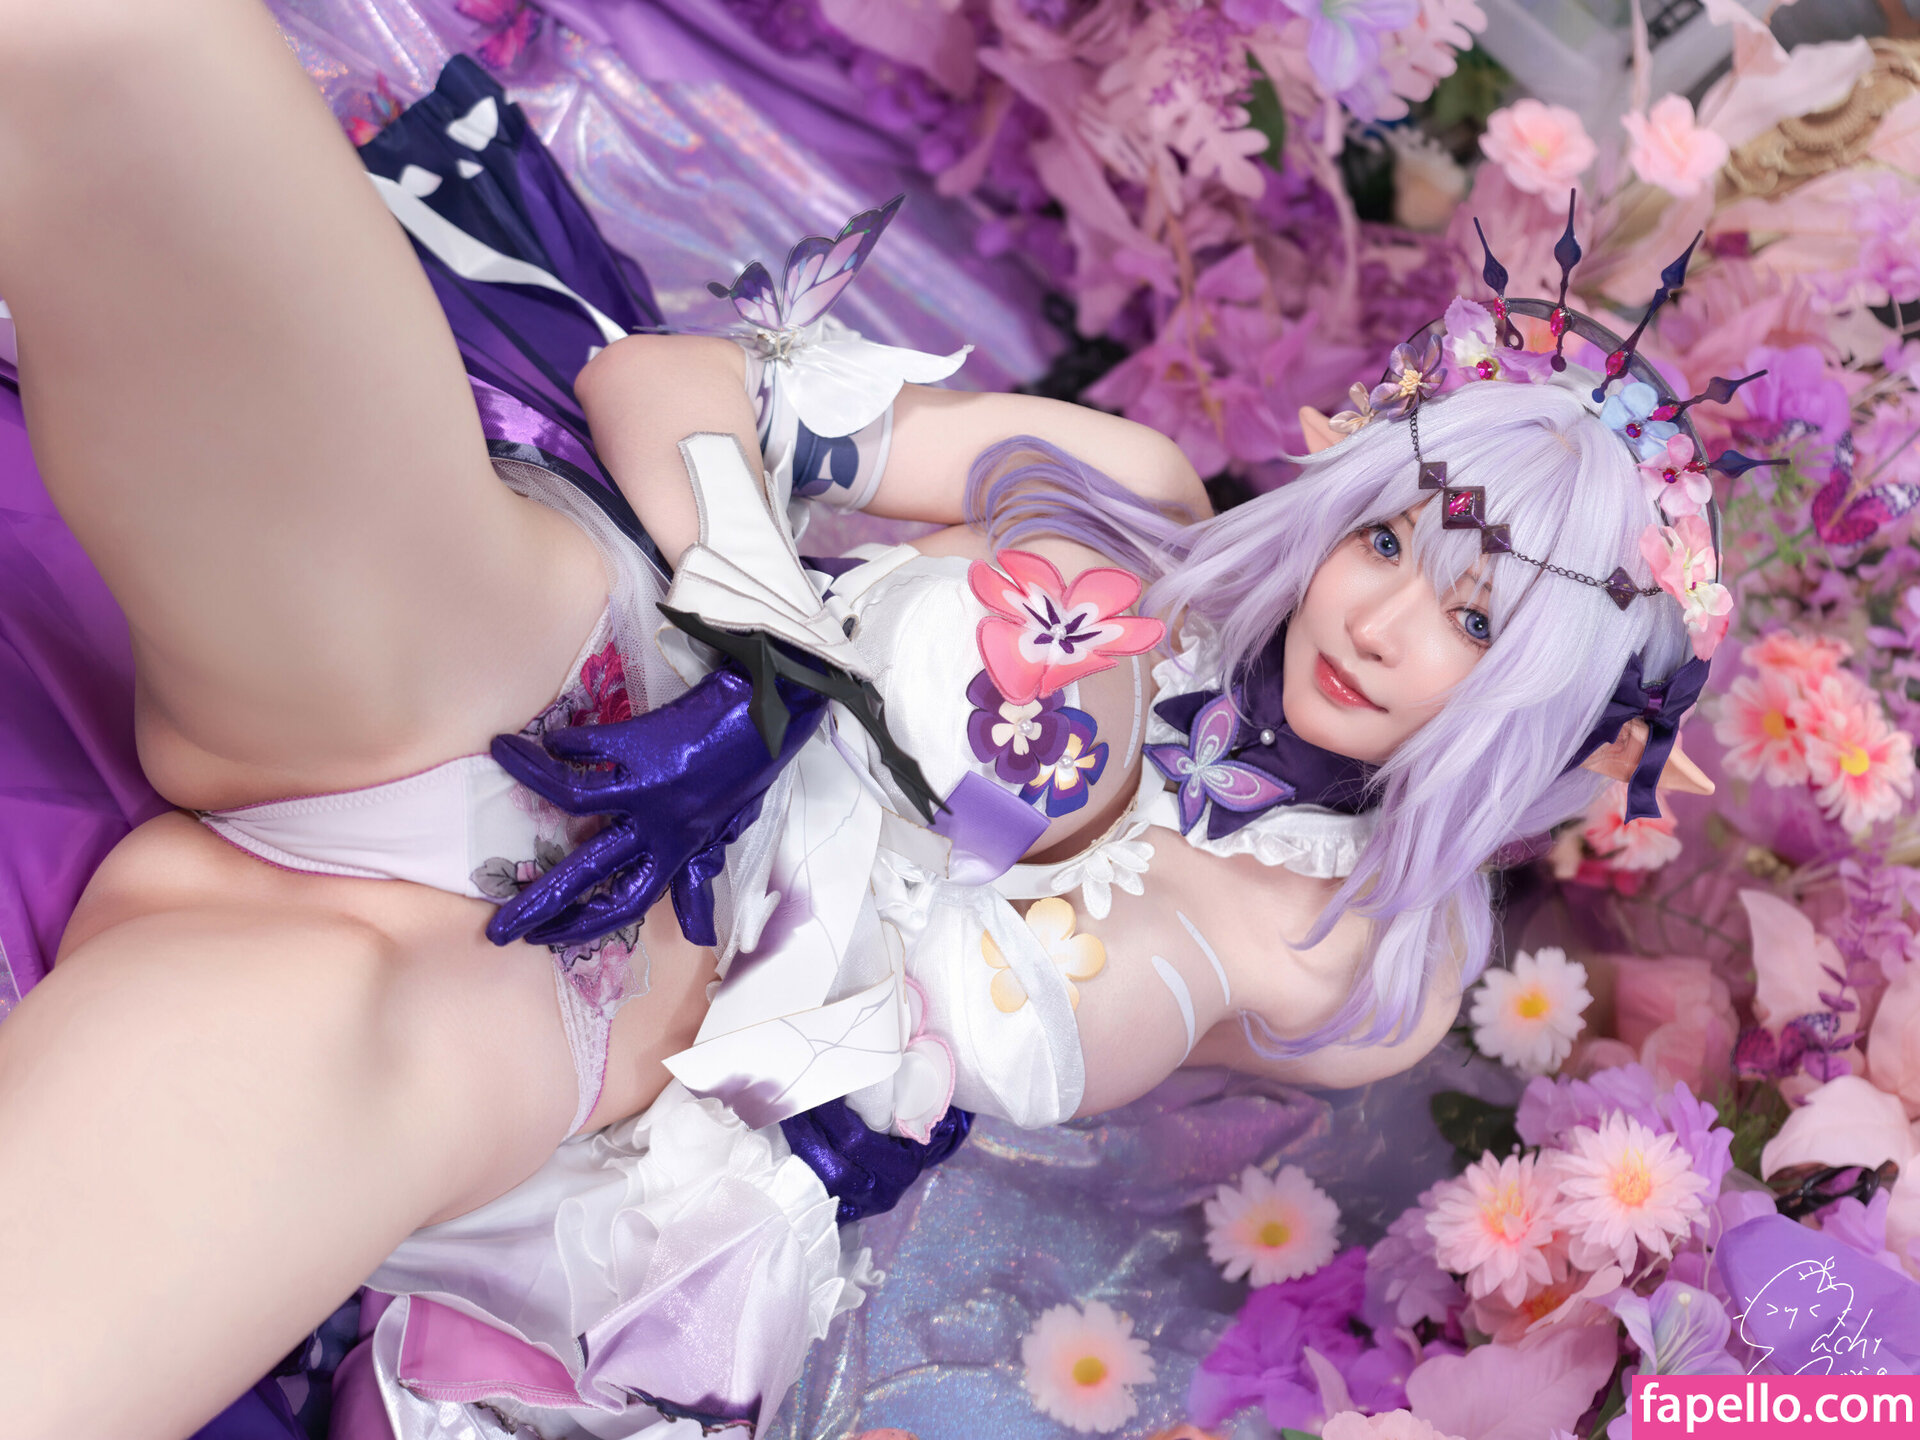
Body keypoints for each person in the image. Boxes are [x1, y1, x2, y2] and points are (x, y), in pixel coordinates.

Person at [0, 7, 1723, 1438]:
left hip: (590, 1039)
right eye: (1391, 540)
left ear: (1547, 705)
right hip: (581, 681)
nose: (1383, 620)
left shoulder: (1359, 964)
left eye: (1481, 624)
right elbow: (671, 382)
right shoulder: (1120, 500)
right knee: (120, 53)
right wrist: (769, 640)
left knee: (317, 1072)